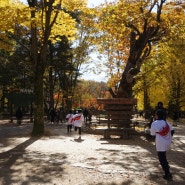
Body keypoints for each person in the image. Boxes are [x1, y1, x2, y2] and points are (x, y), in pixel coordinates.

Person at [150, 109, 174, 181]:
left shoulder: (154, 123)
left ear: (157, 115)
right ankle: (167, 168)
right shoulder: (166, 123)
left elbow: (152, 134)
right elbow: (172, 131)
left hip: (160, 142)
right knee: (163, 156)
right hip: (167, 142)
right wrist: (167, 137)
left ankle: (167, 173)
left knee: (161, 158)